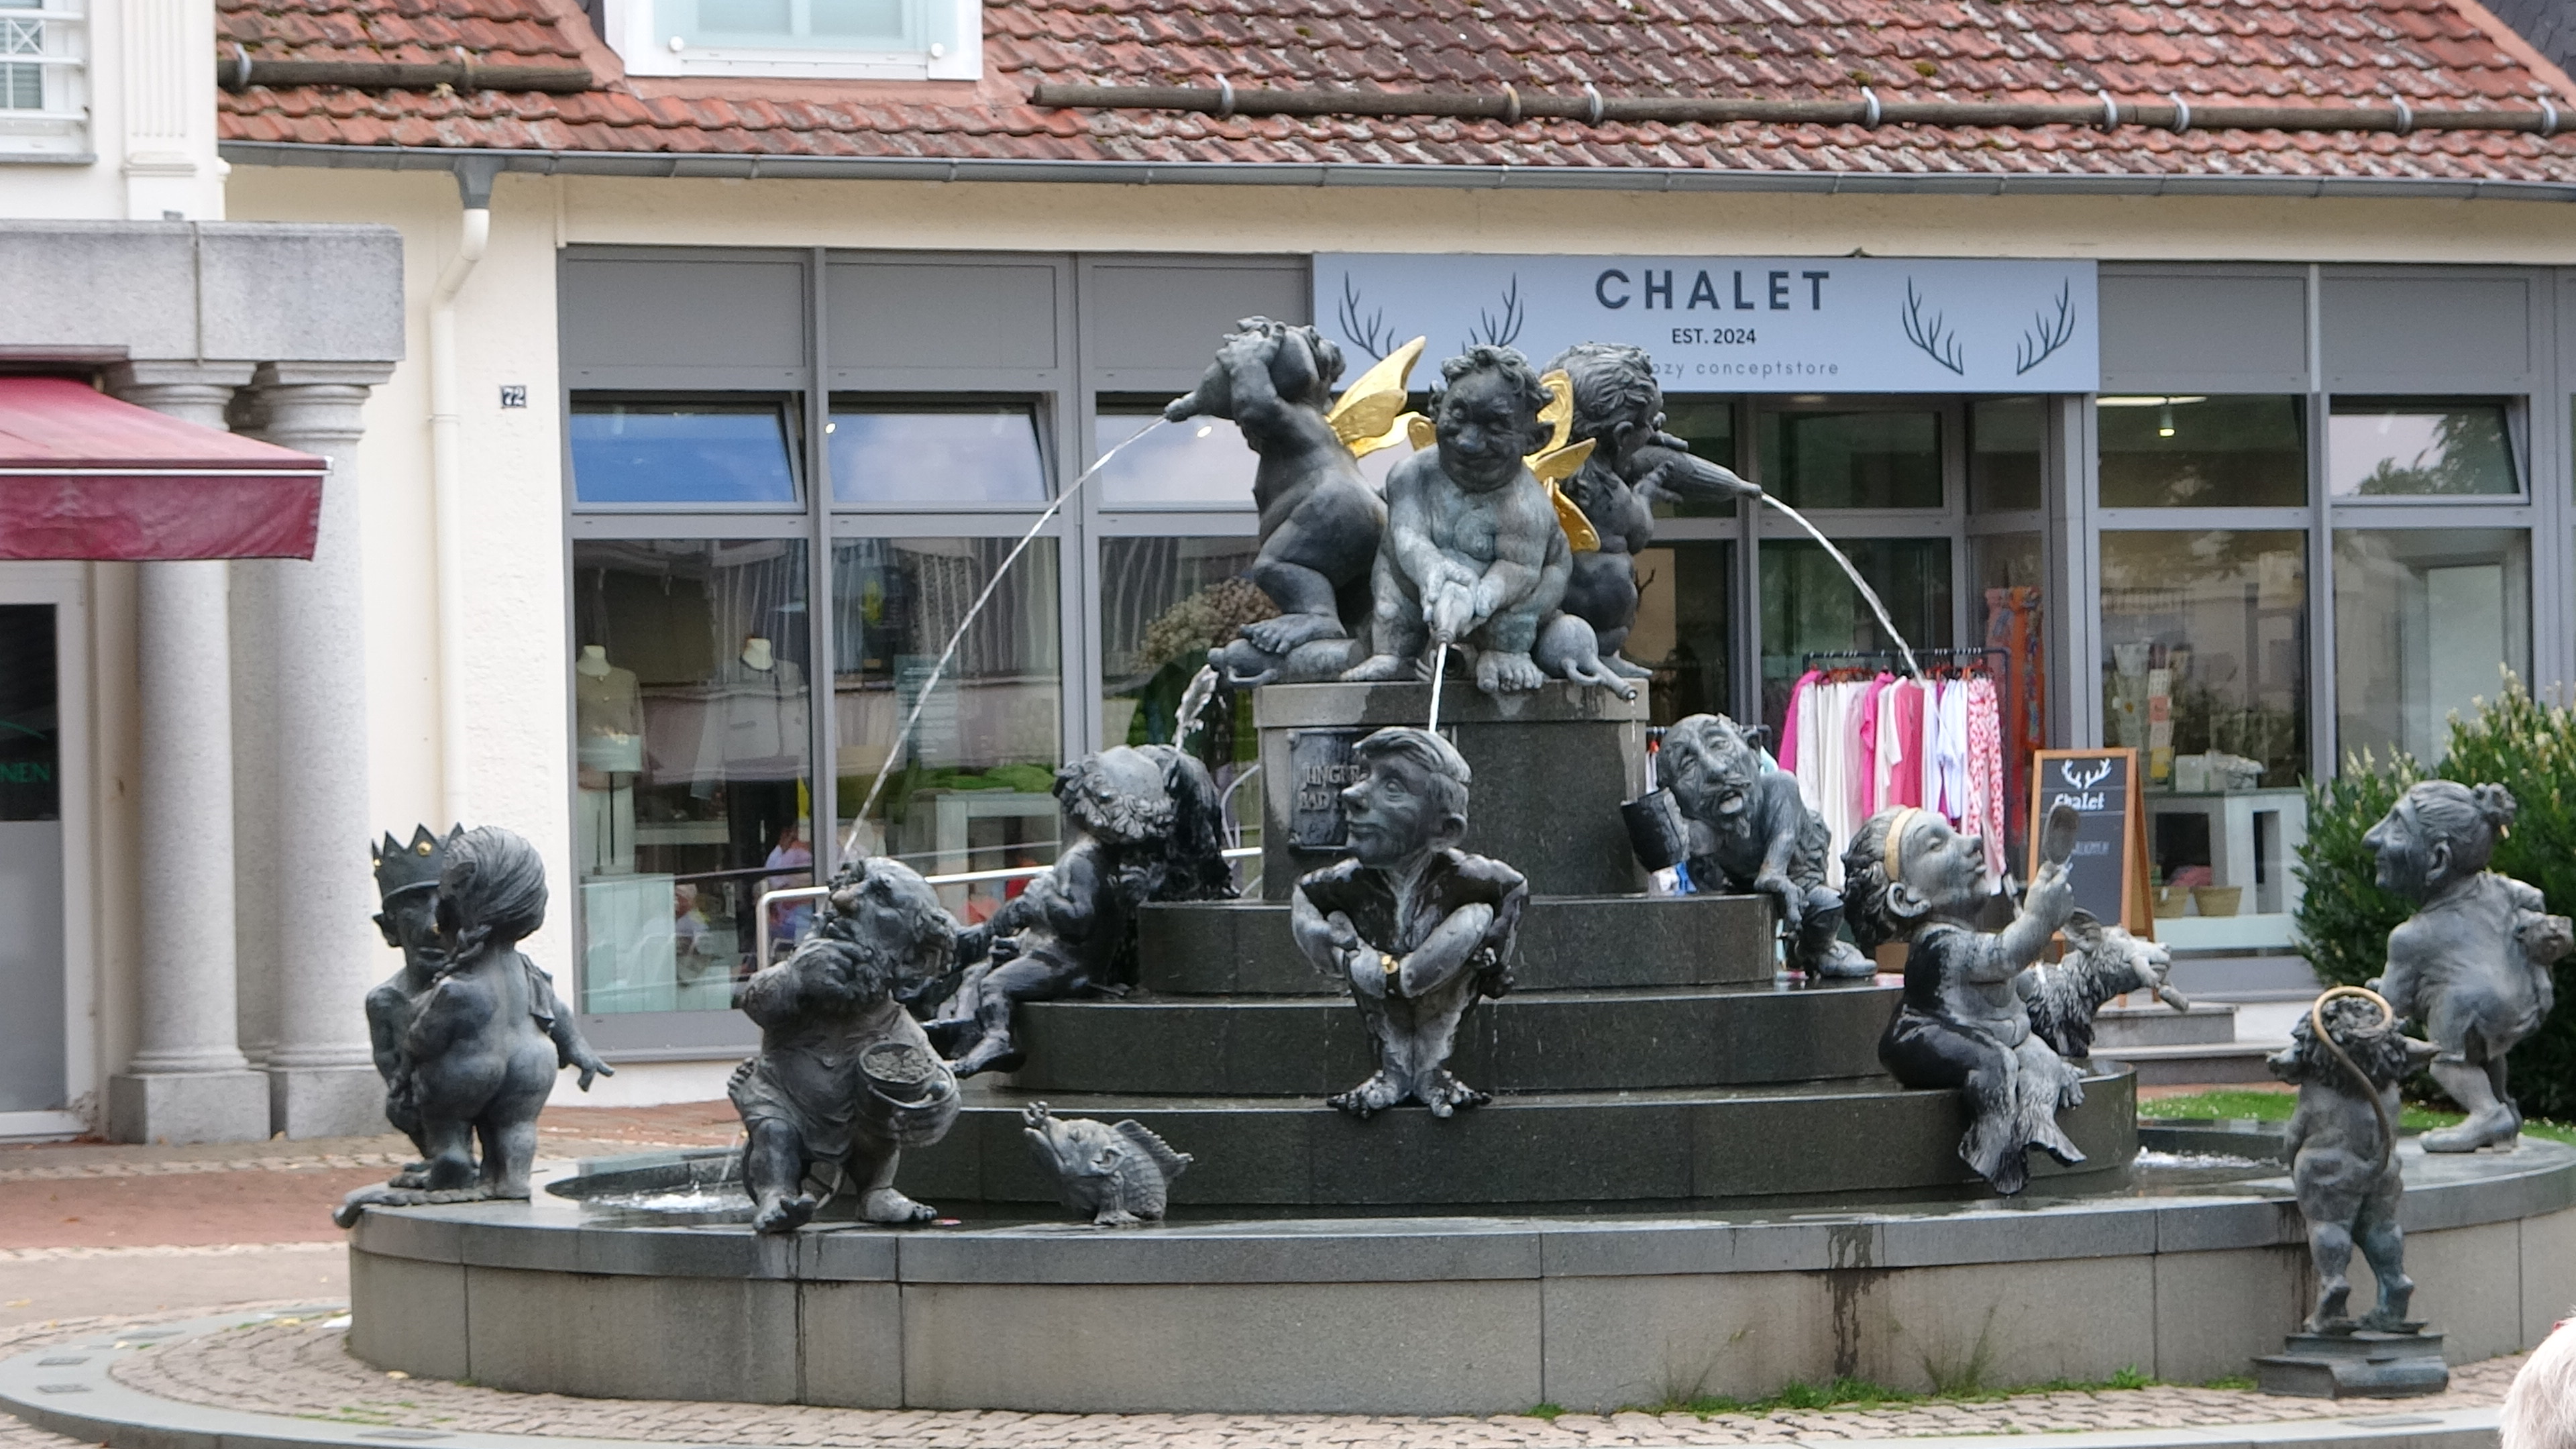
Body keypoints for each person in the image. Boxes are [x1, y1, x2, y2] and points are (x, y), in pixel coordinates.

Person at [1843, 806, 2084, 1194]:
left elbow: (2010, 975)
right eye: (1937, 845)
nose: (1971, 842)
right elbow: (2003, 956)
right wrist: (2039, 918)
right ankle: (1992, 1149)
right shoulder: (1937, 943)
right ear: (1907, 899)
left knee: (2040, 1058)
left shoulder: (1962, 936)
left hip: (1988, 1031)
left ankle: (2039, 1123)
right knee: (1995, 1061)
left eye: (1955, 831)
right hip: (1920, 1038)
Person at [1291, 727, 1527, 1118]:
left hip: (1438, 979)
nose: (1352, 794)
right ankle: (1393, 1072)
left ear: (1445, 830)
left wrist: (1495, 953)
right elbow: (1305, 898)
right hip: (1375, 976)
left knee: (1476, 918)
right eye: (1365, 776)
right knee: (1341, 922)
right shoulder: (1346, 882)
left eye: (1393, 787)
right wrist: (1333, 945)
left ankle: (1433, 1071)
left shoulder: (1468, 877)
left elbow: (1515, 890)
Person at [1344, 346, 1569, 696]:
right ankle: (1392, 652)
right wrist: (1433, 571)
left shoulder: (1526, 506)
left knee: (1527, 601)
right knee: (1391, 580)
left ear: (1534, 440)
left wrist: (1483, 598)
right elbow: (1408, 536)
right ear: (1436, 408)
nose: (1467, 441)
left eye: (1495, 428)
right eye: (1458, 417)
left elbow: (1519, 568)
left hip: (1512, 595)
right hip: (1423, 584)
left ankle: (1506, 650)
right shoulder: (1411, 475)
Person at [2366, 782, 2572, 1152]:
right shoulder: (2504, 890)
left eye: (2396, 827)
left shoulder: (2410, 938)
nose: (2372, 839)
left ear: (2438, 860)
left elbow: (2390, 1011)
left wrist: (2375, 998)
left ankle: (2487, 1113)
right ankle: (2504, 1110)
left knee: (2446, 1061)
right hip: (2526, 1000)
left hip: (2468, 1007)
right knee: (2482, 1049)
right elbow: (2534, 898)